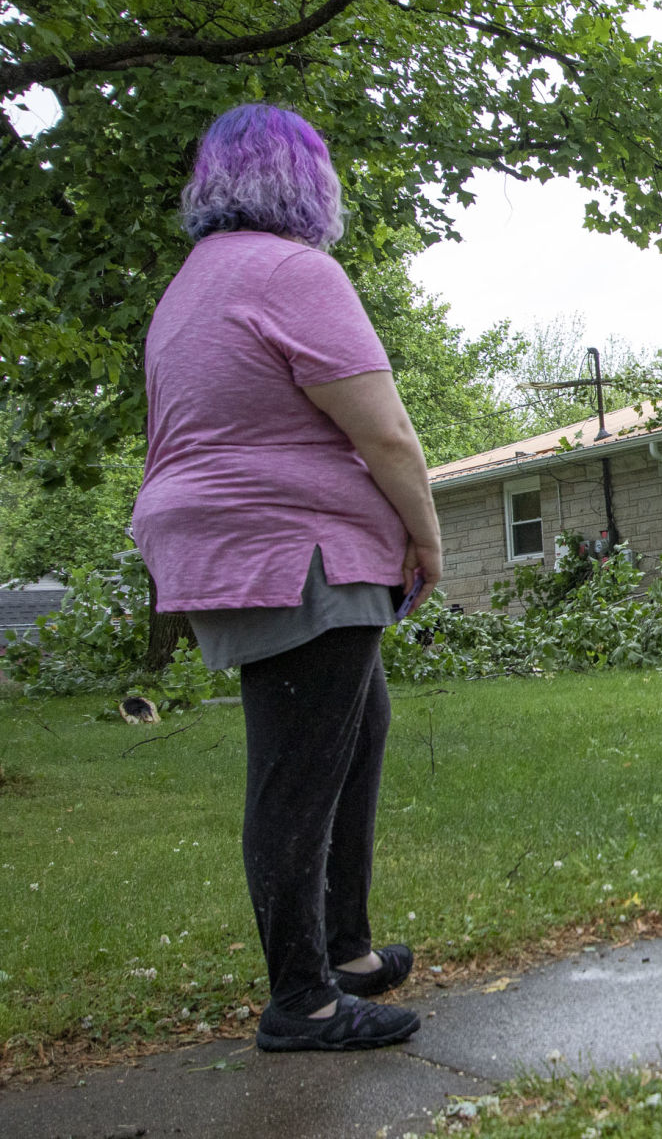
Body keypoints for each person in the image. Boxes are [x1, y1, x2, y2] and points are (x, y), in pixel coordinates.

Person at [132, 104, 443, 1049]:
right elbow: (382, 429)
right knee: (297, 769)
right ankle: (301, 1000)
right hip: (292, 540)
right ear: (307, 182)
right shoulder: (292, 269)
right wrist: (426, 539)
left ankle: (345, 948)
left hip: (225, 536)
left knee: (356, 728)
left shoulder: (192, 284)